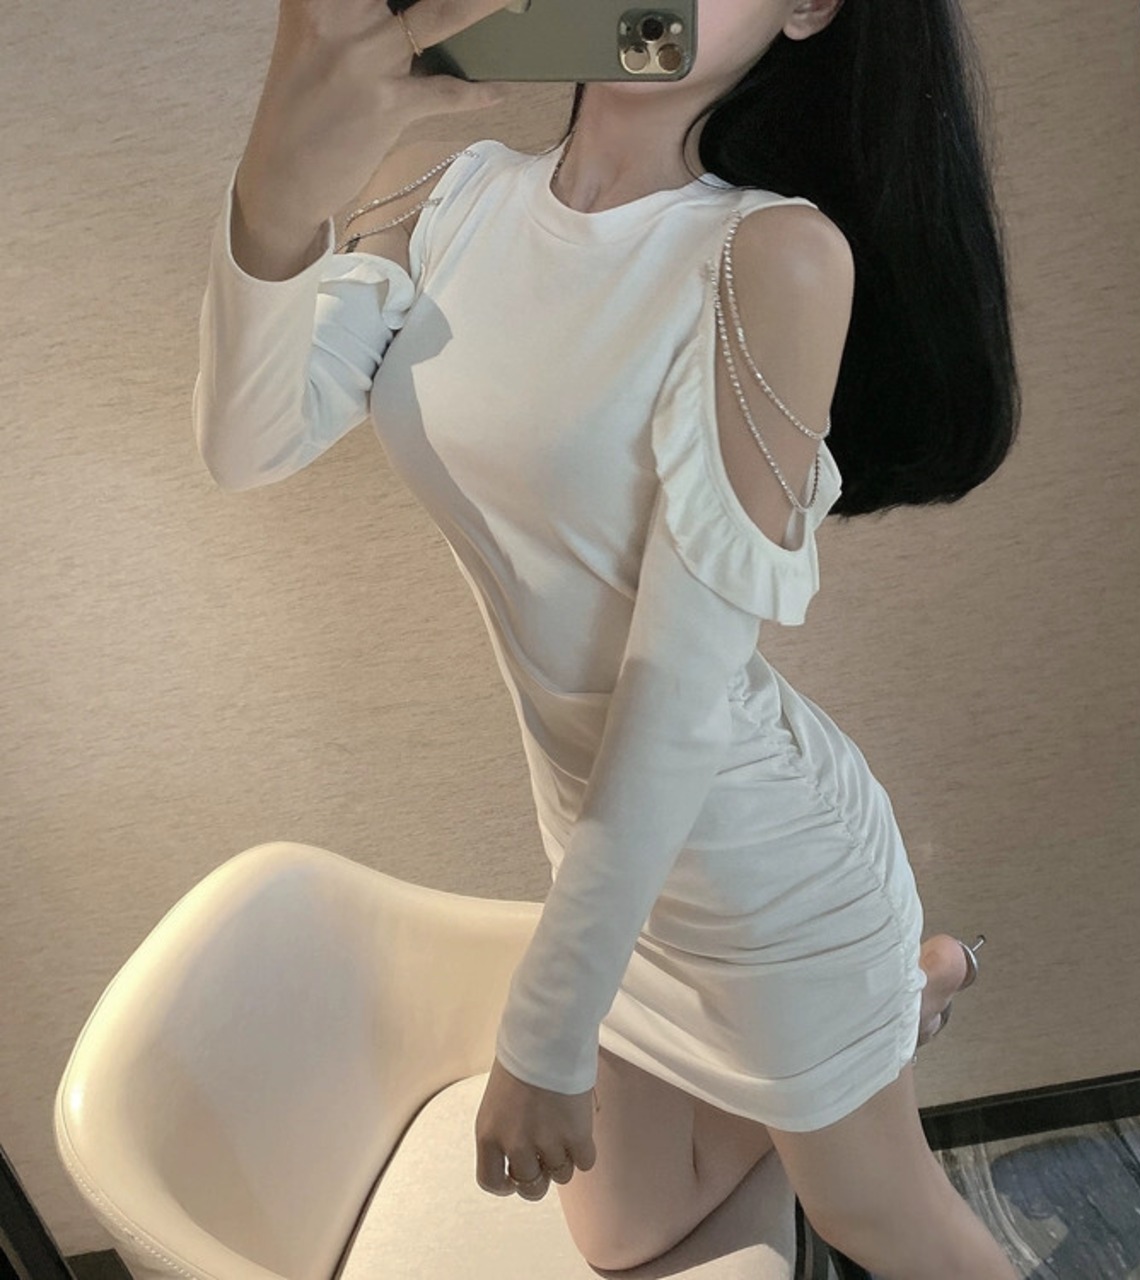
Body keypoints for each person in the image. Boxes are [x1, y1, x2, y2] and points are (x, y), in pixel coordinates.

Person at [193, 0, 1022, 1275]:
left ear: (809, 7)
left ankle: (869, 1000)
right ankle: (901, 996)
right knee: (622, 1223)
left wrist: (544, 1028)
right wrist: (273, 192)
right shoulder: (450, 197)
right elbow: (248, 444)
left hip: (762, 874)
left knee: (878, 1216)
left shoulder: (770, 257)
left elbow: (679, 686)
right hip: (612, 863)